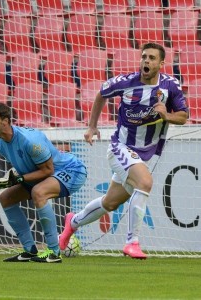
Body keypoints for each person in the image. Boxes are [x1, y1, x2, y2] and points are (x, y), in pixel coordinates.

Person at [59, 42, 188, 259]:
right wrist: (92, 126)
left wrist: (167, 115)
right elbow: (101, 94)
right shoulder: (125, 82)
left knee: (110, 202)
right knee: (145, 182)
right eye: (144, 56)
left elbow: (183, 116)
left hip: (147, 153)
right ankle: (132, 243)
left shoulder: (170, 86)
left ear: (161, 63)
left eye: (152, 58)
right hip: (121, 147)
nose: (146, 61)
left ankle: (72, 222)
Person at [0, 102, 87, 263]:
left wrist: (19, 179)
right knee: (6, 198)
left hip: (71, 170)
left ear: (5, 121)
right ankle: (29, 250)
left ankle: (53, 252)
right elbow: (25, 170)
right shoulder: (0, 144)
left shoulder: (29, 141)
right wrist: (4, 183)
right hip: (47, 174)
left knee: (38, 192)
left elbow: (48, 170)